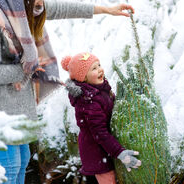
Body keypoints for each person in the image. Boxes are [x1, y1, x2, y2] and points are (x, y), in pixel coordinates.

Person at [0, 0, 135, 183]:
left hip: (18, 103)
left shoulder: (24, 8)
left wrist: (106, 9)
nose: (41, 3)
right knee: (10, 167)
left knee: (22, 162)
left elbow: (59, 8)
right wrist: (27, 69)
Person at [61, 52, 142, 184]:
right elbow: (100, 133)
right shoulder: (87, 101)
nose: (100, 70)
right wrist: (120, 153)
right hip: (96, 151)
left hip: (107, 146)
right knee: (109, 180)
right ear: (83, 79)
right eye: (94, 69)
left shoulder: (100, 88)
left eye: (99, 65)